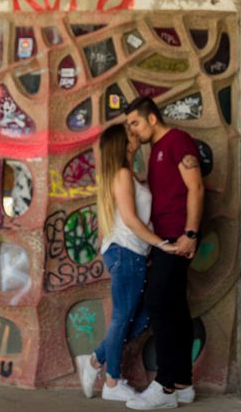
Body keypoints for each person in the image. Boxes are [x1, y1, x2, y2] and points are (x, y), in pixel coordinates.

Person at [77, 124, 177, 402]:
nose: (136, 138)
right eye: (131, 135)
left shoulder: (127, 174)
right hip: (127, 252)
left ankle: (96, 360)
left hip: (131, 253)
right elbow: (132, 220)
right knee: (123, 317)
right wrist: (161, 243)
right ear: (122, 144)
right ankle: (112, 381)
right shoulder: (121, 174)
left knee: (142, 317)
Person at [124, 96, 204, 410]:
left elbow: (195, 186)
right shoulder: (156, 149)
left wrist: (191, 233)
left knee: (159, 303)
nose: (133, 130)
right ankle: (182, 383)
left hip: (177, 237)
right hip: (165, 238)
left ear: (152, 119)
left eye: (135, 123)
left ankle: (165, 386)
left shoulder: (177, 140)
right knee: (177, 308)